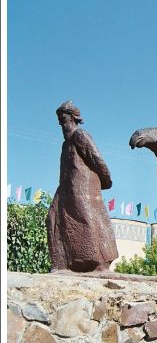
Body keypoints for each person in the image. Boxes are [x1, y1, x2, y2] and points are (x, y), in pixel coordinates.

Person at [46, 101, 118, 272]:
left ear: (73, 117)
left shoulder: (80, 136)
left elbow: (97, 158)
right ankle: (61, 262)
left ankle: (98, 263)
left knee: (86, 219)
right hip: (65, 189)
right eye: (59, 121)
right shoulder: (65, 144)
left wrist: (105, 181)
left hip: (82, 187)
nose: (61, 124)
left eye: (63, 120)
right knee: (53, 218)